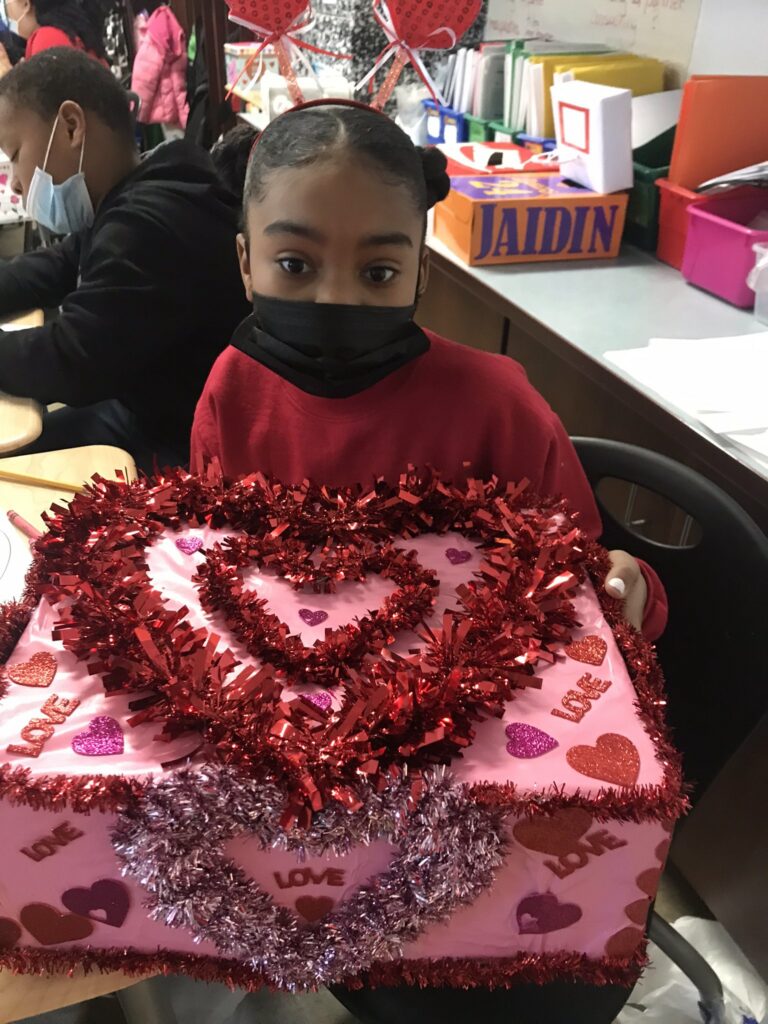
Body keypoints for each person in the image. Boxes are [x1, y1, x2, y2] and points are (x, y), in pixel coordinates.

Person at [190, 101, 667, 1024]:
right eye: (294, 263)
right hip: (313, 780)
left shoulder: (498, 404)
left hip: (479, 787)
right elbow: (221, 575)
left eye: (377, 271)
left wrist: (629, 586)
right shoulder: (233, 389)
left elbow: (600, 604)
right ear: (245, 259)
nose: (334, 300)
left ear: (419, 268)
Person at [0, 48, 250, 473]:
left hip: (179, 447)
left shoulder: (147, 223)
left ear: (71, 127)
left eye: (16, 153)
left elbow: (71, 361)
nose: (19, 182)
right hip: (144, 409)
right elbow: (56, 266)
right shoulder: (144, 186)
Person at [3, 0, 106, 61]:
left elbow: (46, 97)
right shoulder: (68, 29)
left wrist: (8, 78)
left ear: (26, 4)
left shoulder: (47, 40)